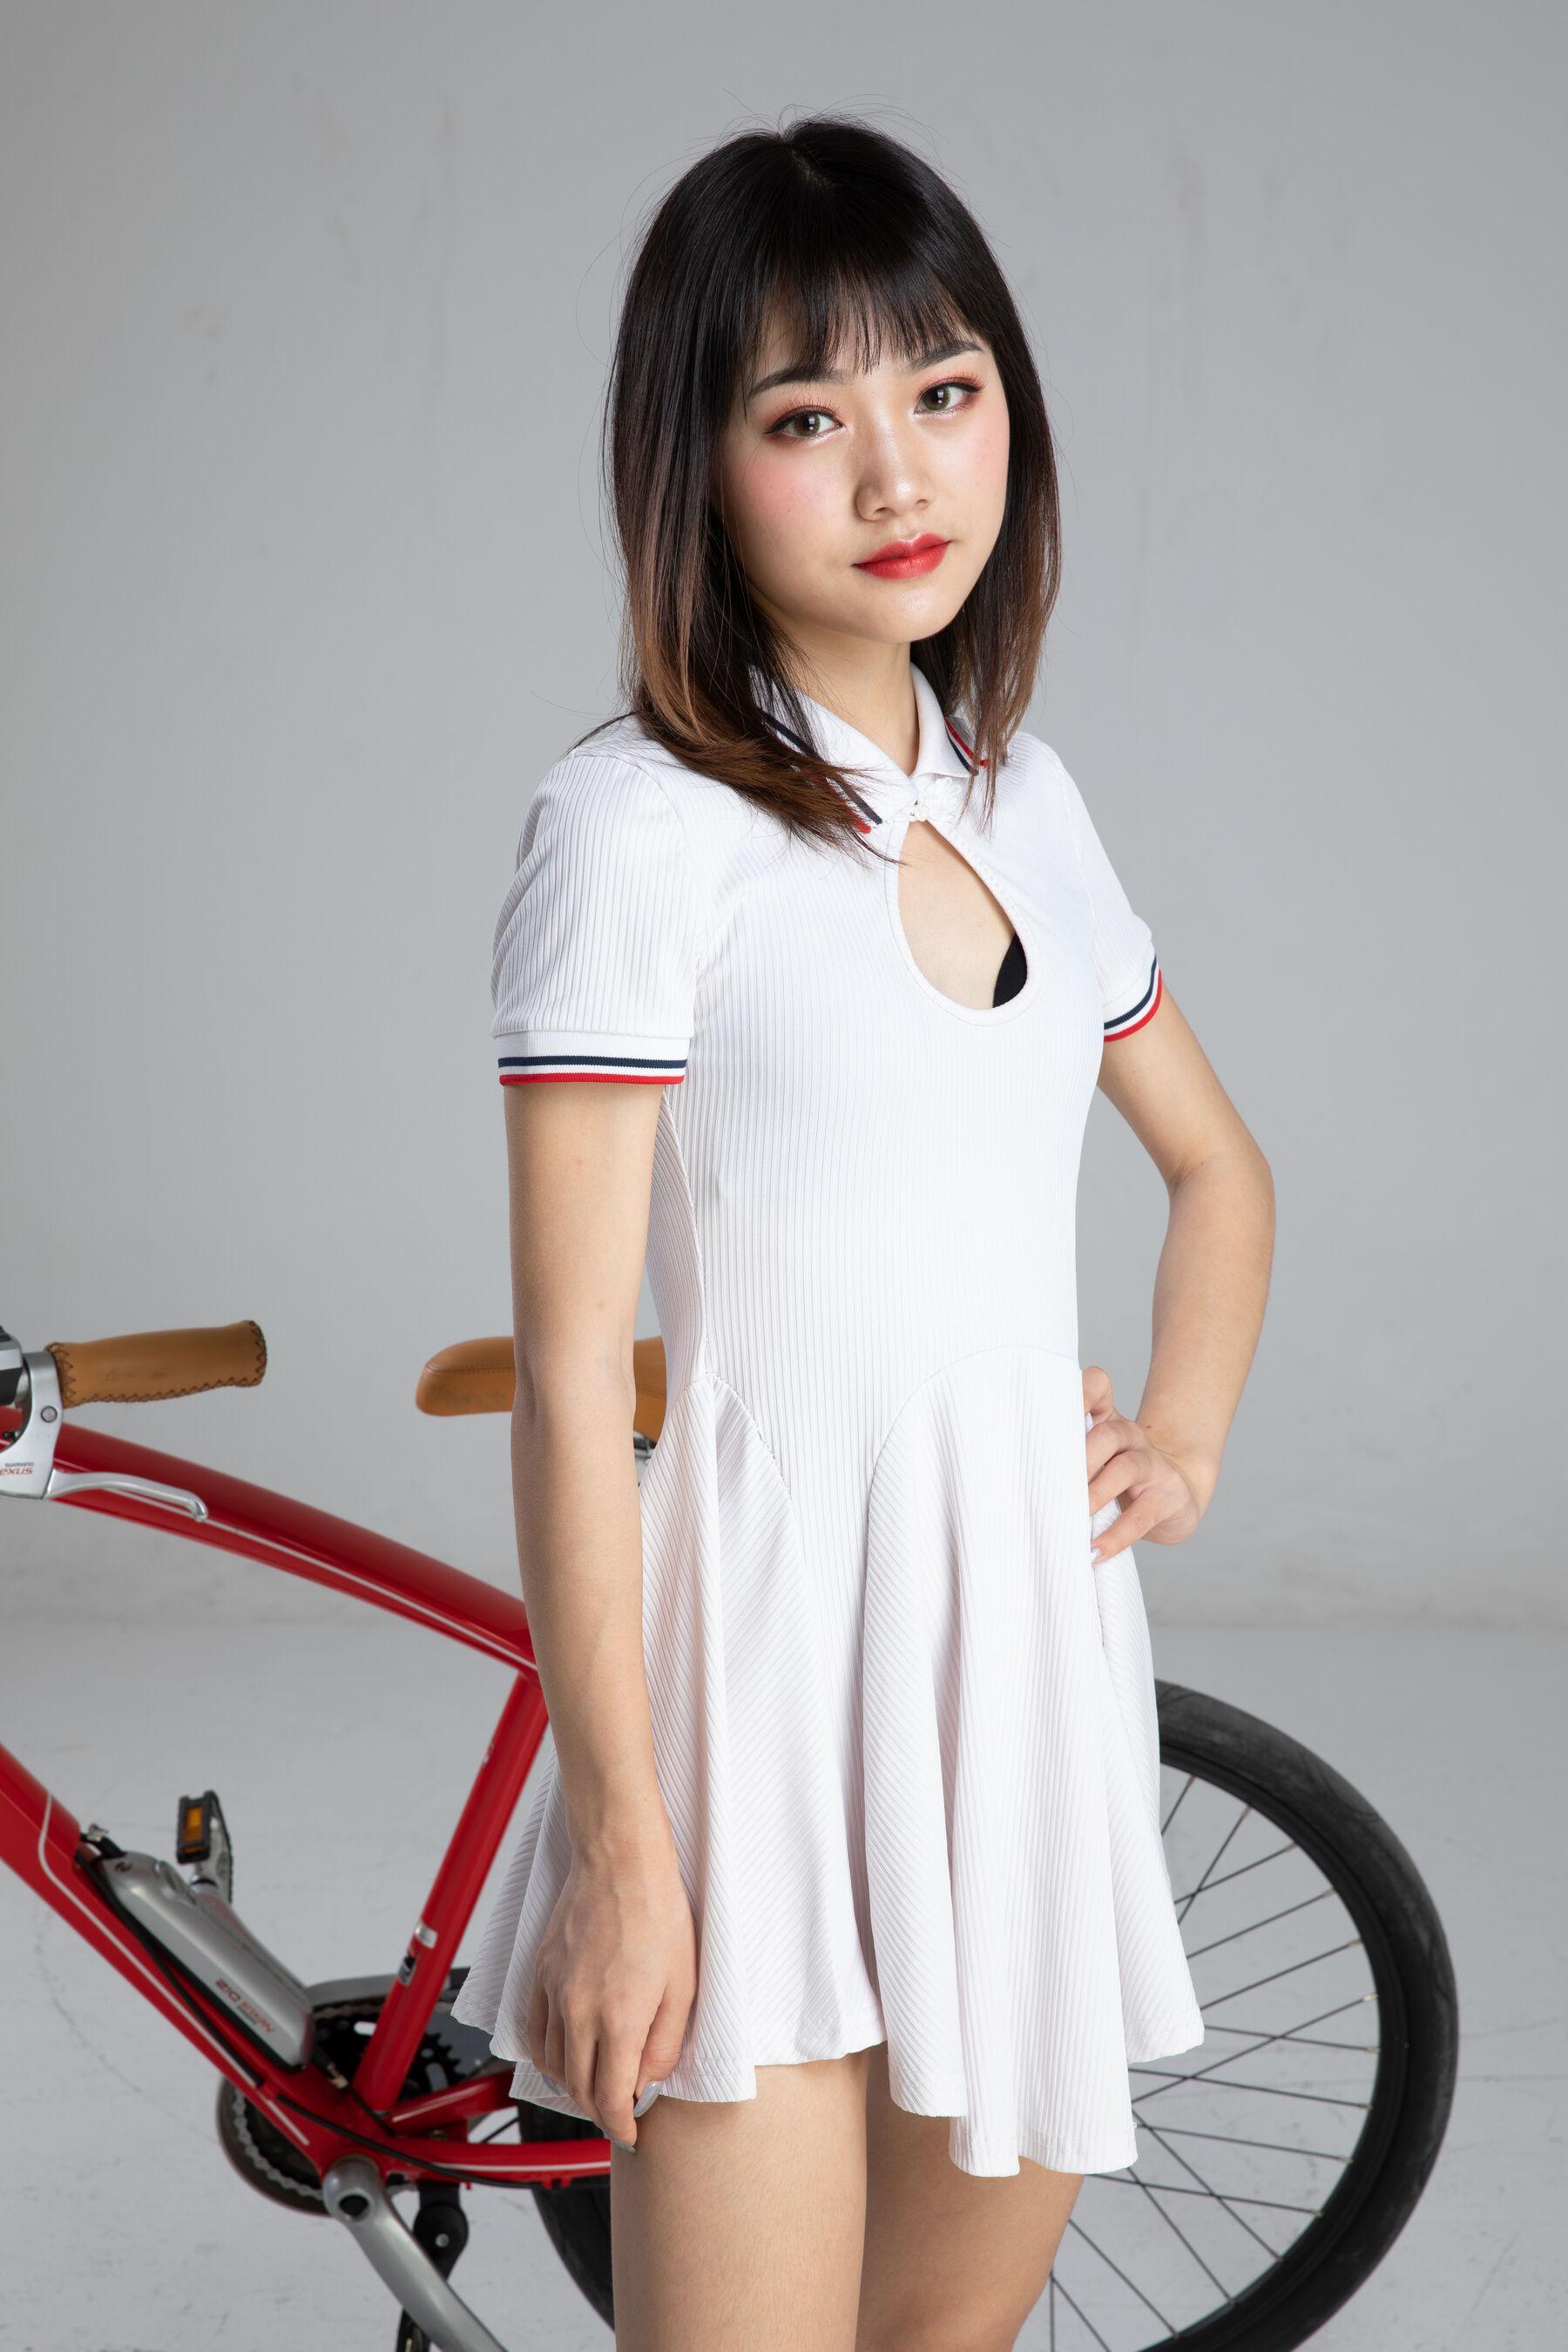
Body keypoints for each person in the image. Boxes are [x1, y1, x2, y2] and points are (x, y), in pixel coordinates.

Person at [451, 112, 1275, 2352]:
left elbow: (1220, 1167)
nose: (900, 473)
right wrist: (624, 1844)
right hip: (750, 1683)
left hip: (1026, 1664)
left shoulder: (1026, 797)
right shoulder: (633, 829)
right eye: (806, 418)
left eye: (946, 389)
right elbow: (570, 1371)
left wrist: (1179, 1439)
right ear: (697, 470)